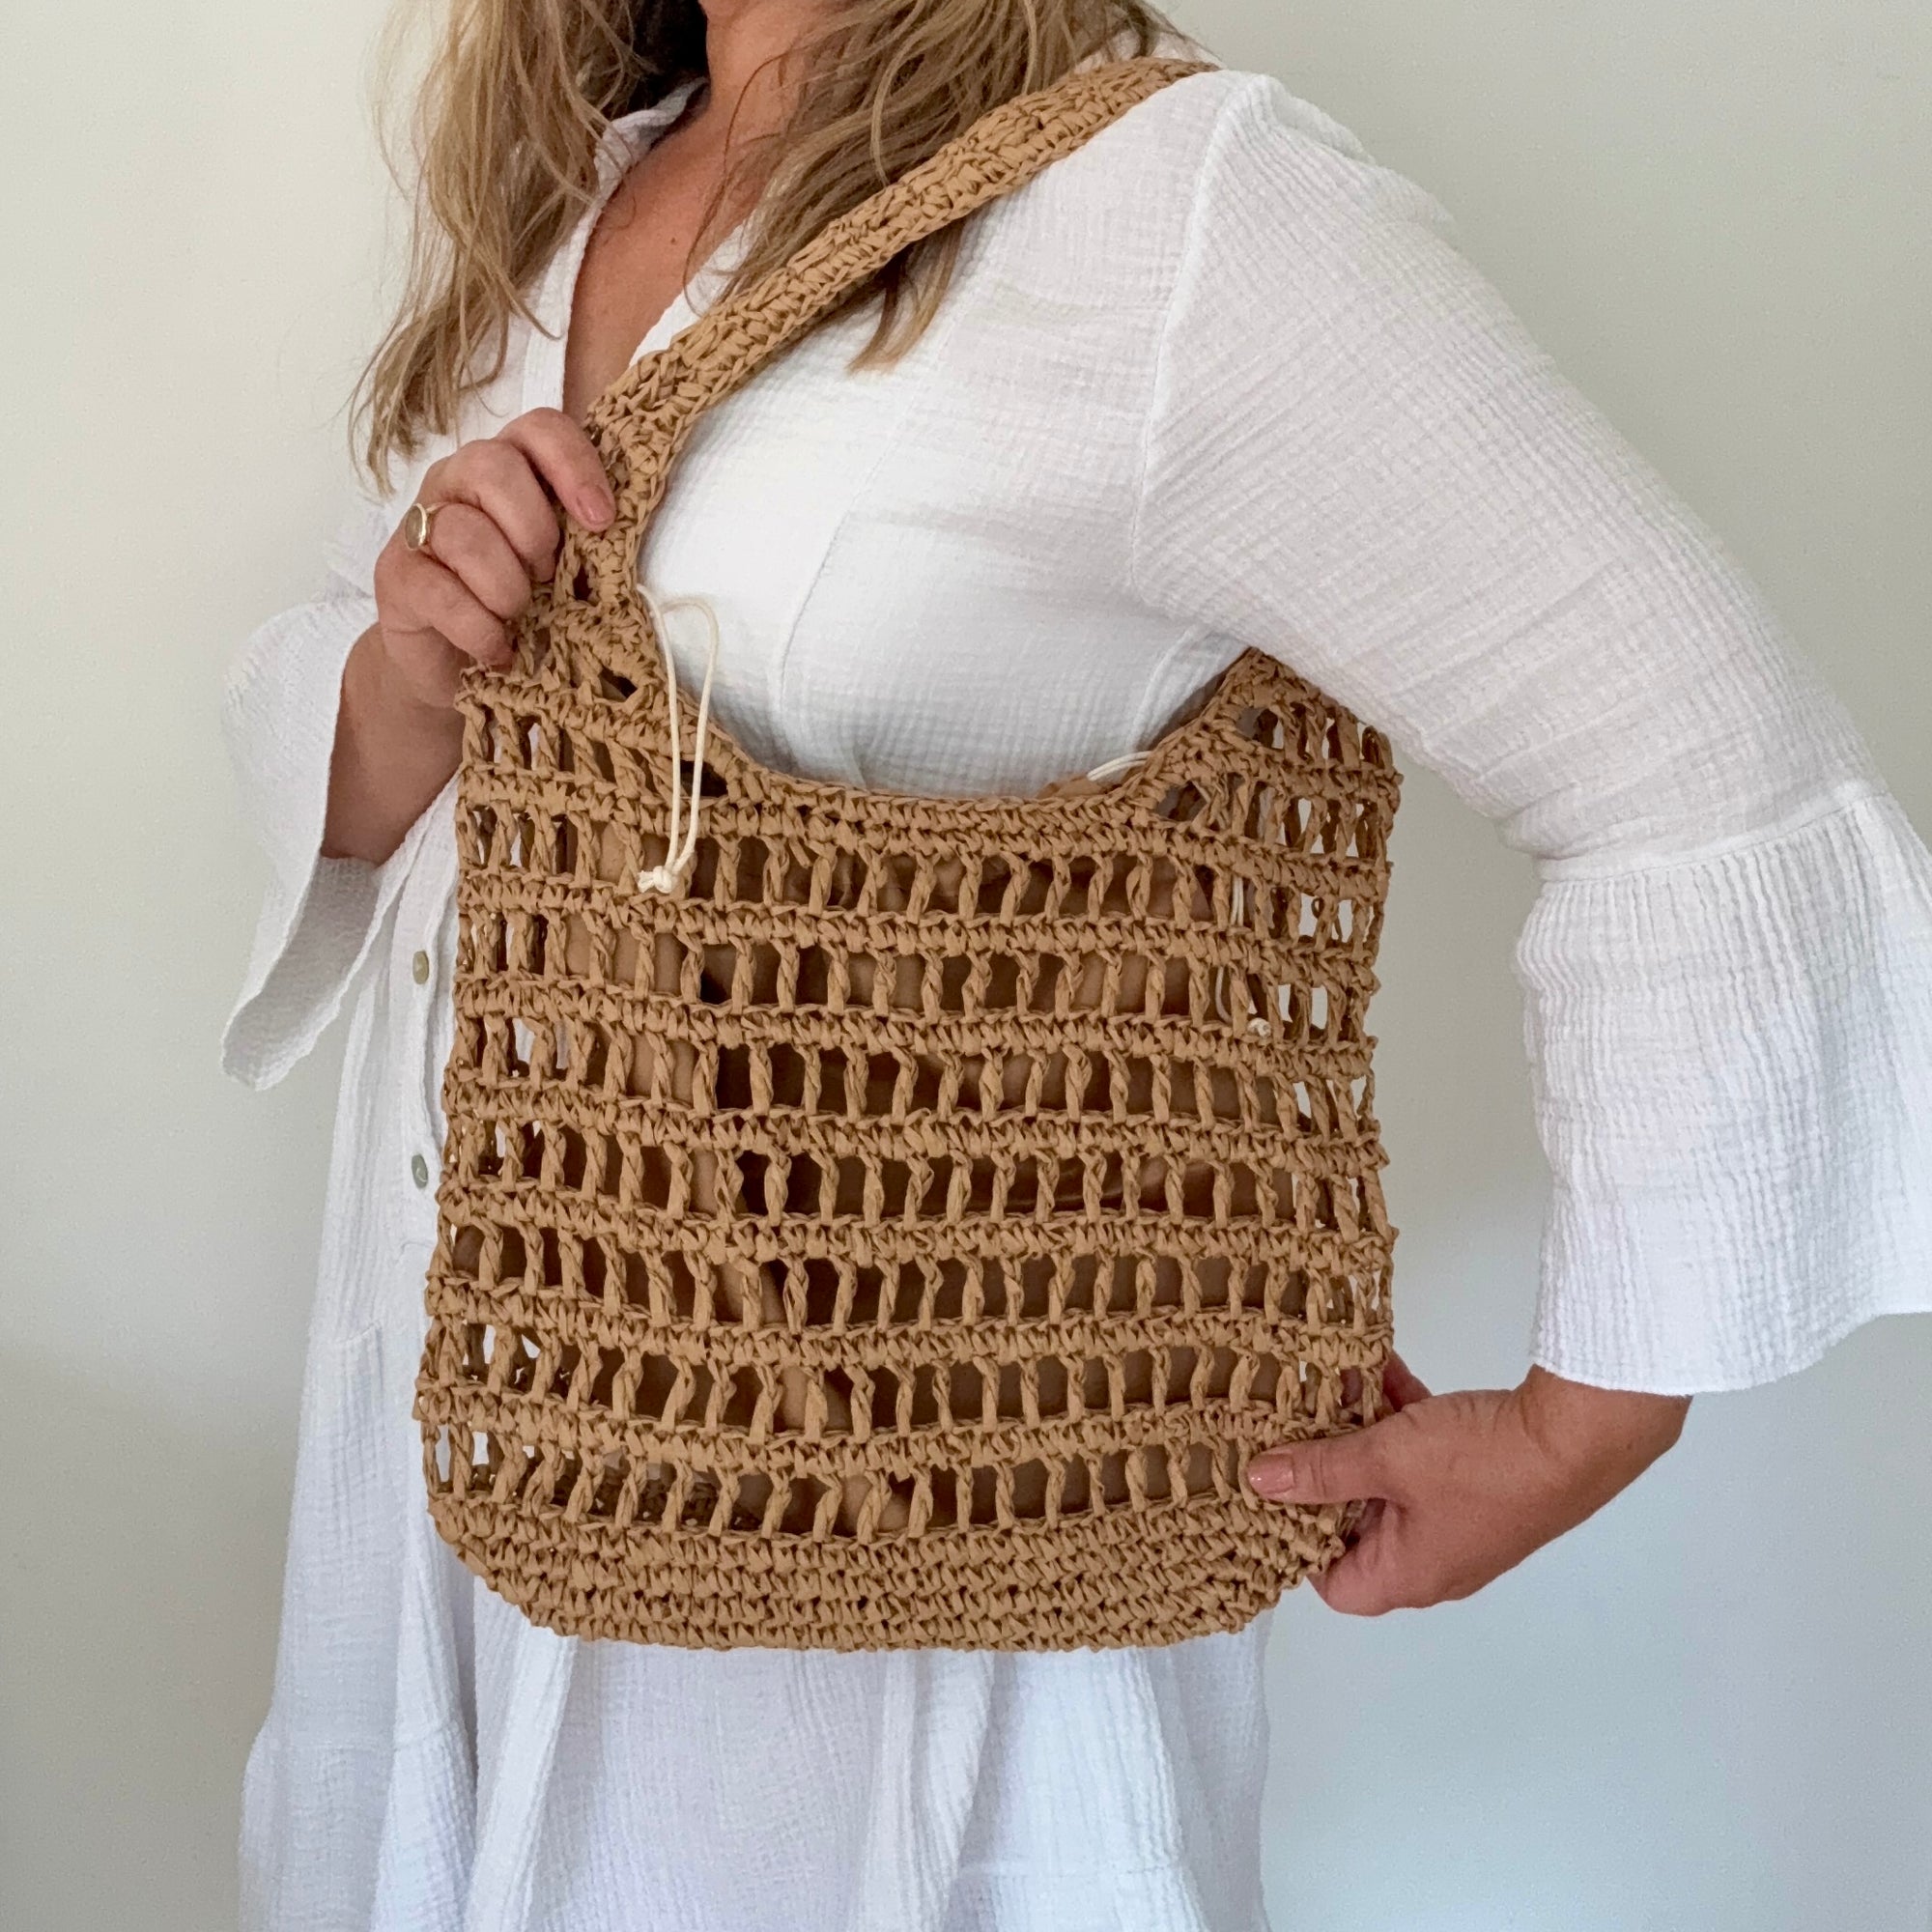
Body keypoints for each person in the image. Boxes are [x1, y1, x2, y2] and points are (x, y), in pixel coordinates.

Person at [217, 1, 1932, 1926]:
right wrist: (410, 673)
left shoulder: (1168, 207)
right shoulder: (567, 194)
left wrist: (1588, 1414)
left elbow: (1707, 759)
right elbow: (356, 729)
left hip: (903, 1549)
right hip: (450, 1464)